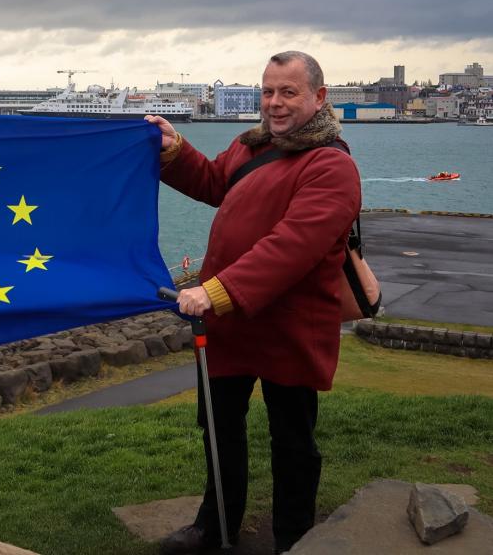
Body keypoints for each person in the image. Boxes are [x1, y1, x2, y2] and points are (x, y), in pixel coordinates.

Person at [146, 51, 360, 554]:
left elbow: (291, 248)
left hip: (289, 326)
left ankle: (293, 538)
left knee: (292, 441)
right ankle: (214, 524)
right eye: (268, 91)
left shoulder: (332, 166)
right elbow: (214, 182)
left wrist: (213, 292)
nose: (275, 103)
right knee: (219, 432)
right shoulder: (249, 148)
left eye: (289, 92)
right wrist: (176, 149)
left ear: (319, 98)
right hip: (228, 324)